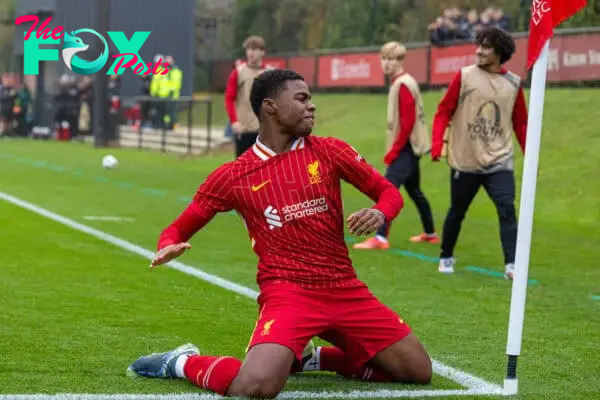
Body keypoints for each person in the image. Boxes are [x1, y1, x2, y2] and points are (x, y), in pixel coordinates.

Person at [127, 70, 432, 398]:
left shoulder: (330, 152)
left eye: (310, 98)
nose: (311, 106)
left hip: (344, 288)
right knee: (256, 386)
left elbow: (390, 193)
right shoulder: (234, 175)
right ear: (270, 107)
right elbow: (177, 228)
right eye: (301, 99)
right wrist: (167, 245)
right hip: (289, 293)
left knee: (416, 371)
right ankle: (182, 361)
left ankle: (309, 360)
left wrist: (379, 212)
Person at [431, 27, 528, 279]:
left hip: (499, 159)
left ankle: (512, 265)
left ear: (499, 52)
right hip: (465, 159)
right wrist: (436, 143)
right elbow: (444, 110)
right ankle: (446, 256)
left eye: (485, 46)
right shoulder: (464, 76)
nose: (478, 50)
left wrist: (530, 154)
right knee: (457, 211)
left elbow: (521, 123)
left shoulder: (514, 83)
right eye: (478, 45)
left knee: (507, 208)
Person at [353, 41, 438, 250]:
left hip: (406, 148)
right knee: (415, 191)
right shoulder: (404, 82)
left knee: (387, 191)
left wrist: (394, 151)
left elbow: (407, 123)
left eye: (391, 59)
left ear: (400, 61)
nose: (386, 63)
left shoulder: (402, 84)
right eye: (384, 59)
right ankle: (430, 233)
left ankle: (380, 238)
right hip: (410, 147)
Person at [225, 35, 273, 158]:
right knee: (243, 168)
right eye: (248, 49)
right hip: (244, 128)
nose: (251, 52)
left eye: (254, 49)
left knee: (264, 168)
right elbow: (229, 99)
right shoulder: (238, 72)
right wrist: (234, 122)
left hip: (264, 130)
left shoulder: (269, 73)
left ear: (262, 52)